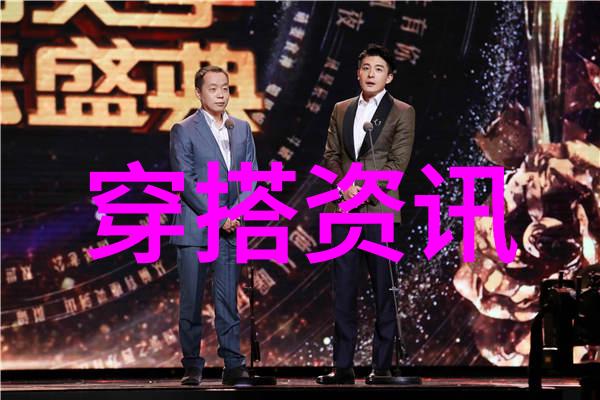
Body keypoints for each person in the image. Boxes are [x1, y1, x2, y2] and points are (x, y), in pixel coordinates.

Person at [317, 44, 415, 384]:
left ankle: (381, 366)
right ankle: (342, 366)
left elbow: (397, 163)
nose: (371, 74)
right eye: (366, 68)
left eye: (379, 69)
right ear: (358, 73)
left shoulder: (402, 112)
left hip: (379, 211)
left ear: (390, 77)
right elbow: (330, 156)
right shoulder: (341, 109)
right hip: (342, 209)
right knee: (343, 291)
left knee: (384, 290)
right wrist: (343, 186)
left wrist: (365, 190)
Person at [169, 65, 257, 386]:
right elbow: (185, 181)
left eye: (225, 88)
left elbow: (251, 177)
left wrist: (237, 212)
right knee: (192, 300)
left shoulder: (241, 128)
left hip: (230, 228)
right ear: (198, 93)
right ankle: (192, 365)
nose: (220, 94)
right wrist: (220, 216)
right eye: (213, 89)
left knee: (227, 299)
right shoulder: (183, 129)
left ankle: (233, 363)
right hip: (195, 227)